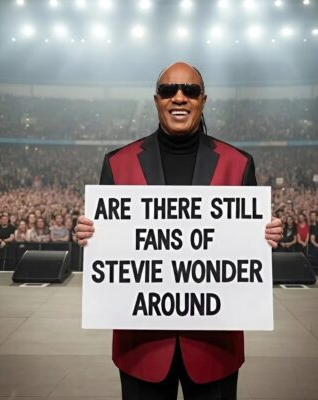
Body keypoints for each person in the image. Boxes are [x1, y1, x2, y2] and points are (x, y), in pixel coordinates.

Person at [75, 62, 282, 400]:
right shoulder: (117, 163)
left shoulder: (239, 163)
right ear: (157, 100)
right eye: (169, 90)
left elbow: (247, 249)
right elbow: (110, 245)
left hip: (214, 348)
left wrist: (266, 236)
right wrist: (90, 235)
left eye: (191, 90)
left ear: (203, 100)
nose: (180, 97)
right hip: (142, 348)